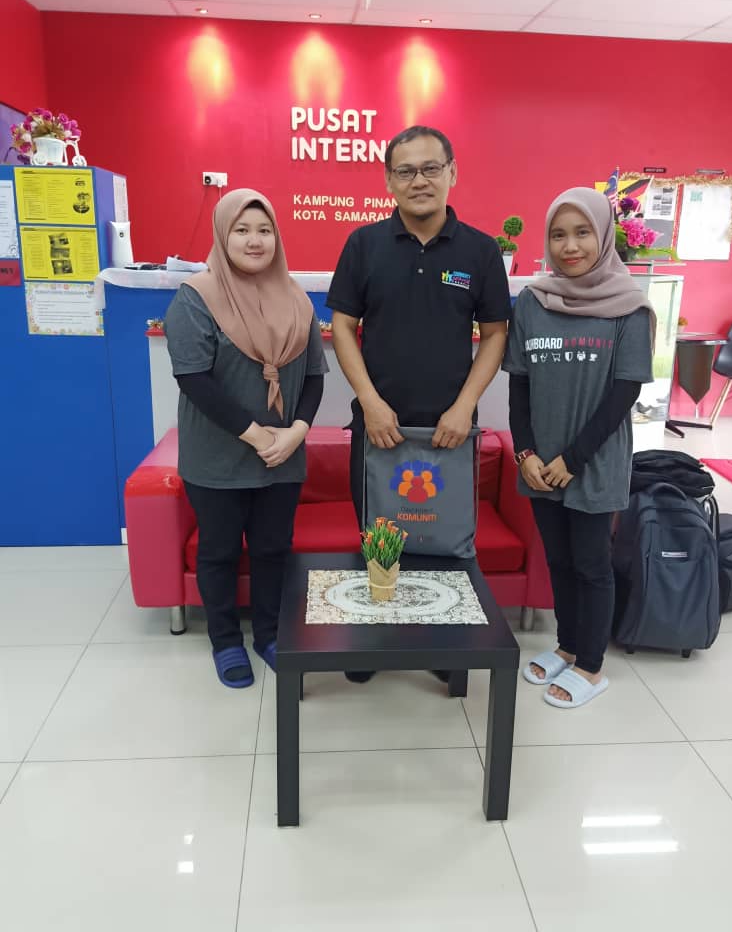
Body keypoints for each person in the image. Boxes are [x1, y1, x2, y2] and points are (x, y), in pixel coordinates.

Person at [326, 125, 512, 683]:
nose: (419, 180)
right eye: (405, 171)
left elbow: (495, 334)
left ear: (452, 172)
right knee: (380, 539)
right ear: (389, 180)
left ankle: (443, 650)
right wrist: (369, 400)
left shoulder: (480, 251)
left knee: (443, 541)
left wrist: (465, 406)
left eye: (431, 168)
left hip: (449, 431)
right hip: (378, 427)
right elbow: (342, 326)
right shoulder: (364, 245)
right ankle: (374, 644)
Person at [165, 188, 327, 689]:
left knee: (273, 548)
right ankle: (225, 641)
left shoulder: (296, 298)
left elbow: (314, 377)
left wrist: (297, 432)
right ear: (222, 234)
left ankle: (269, 634)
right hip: (217, 457)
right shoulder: (195, 296)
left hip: (283, 457)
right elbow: (194, 379)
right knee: (218, 552)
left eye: (264, 230)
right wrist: (258, 436)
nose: (255, 241)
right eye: (242, 230)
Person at [503, 187, 655, 709]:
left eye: (583, 232)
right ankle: (567, 646)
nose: (570, 246)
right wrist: (525, 454)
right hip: (540, 465)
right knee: (559, 561)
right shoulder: (533, 301)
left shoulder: (629, 306)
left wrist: (573, 458)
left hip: (592, 462)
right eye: (559, 235)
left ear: (604, 235)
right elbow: (518, 385)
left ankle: (591, 665)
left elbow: (624, 392)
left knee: (592, 564)